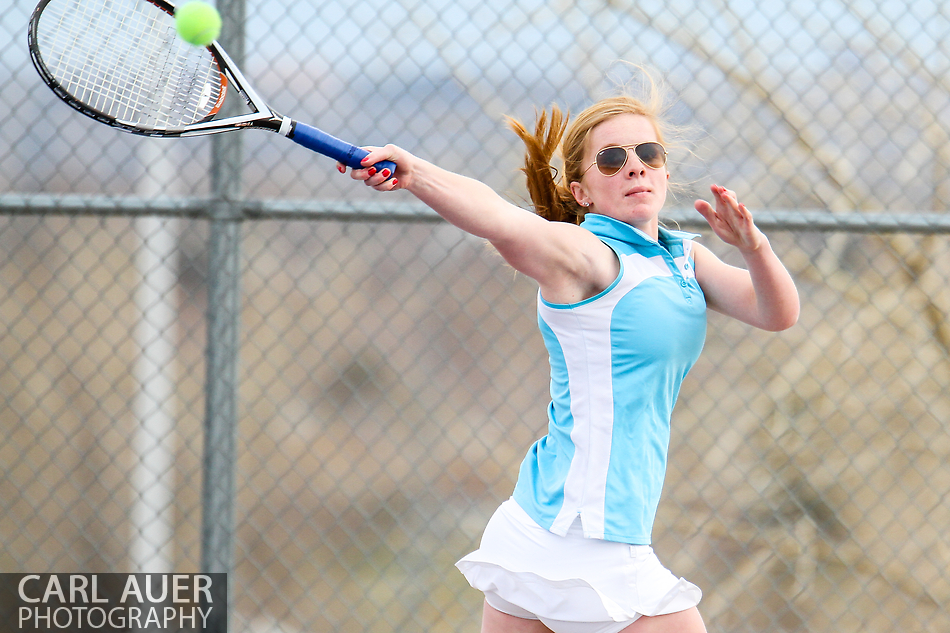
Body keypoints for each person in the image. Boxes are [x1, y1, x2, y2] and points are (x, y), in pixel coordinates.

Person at [339, 68, 800, 633]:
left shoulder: (682, 258)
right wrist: (416, 173)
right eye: (611, 159)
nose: (634, 165)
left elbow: (776, 313)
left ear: (663, 169)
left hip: (549, 522)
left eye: (647, 153)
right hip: (585, 537)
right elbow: (501, 220)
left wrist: (755, 246)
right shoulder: (587, 257)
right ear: (581, 192)